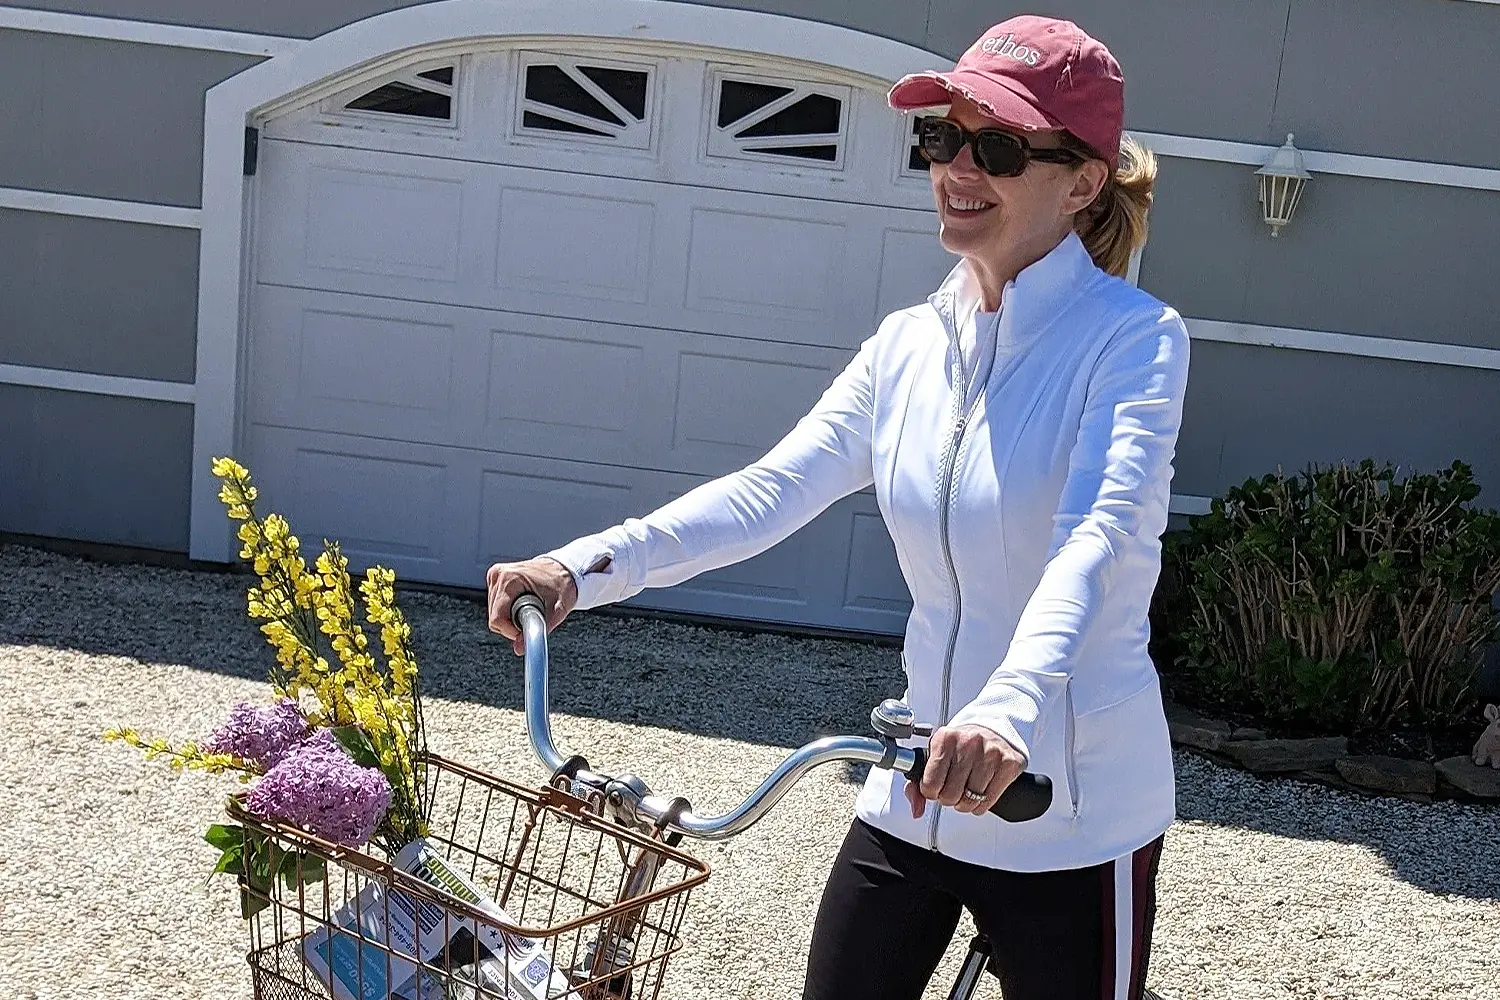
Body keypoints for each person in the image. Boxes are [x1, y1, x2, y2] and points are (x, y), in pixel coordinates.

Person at [486, 14, 1187, 1000]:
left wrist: (1006, 713)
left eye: (996, 147)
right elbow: (769, 491)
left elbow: (1099, 543)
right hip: (916, 779)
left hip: (1062, 806)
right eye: (944, 137)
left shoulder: (1133, 341)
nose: (956, 167)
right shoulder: (911, 344)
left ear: (1081, 183)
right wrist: (582, 567)